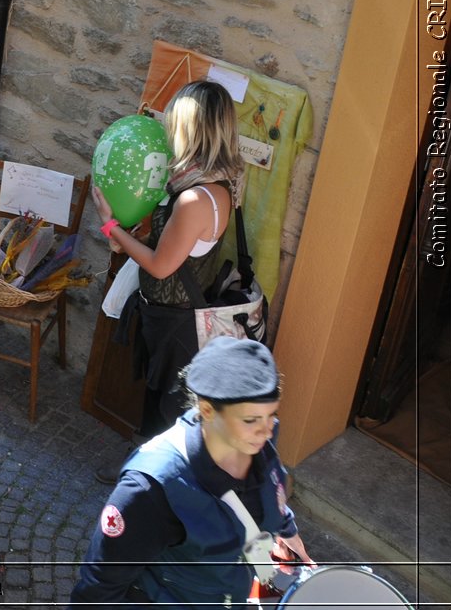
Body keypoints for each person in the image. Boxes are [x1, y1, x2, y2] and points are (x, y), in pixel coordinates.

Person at [70, 338, 311, 606]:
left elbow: (270, 488)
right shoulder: (150, 488)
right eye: (251, 419)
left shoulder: (256, 440)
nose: (267, 430)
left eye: (271, 415)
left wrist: (286, 530)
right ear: (207, 410)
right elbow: (99, 586)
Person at [96, 79, 241, 437]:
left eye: (172, 122)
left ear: (190, 129)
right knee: (156, 406)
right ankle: (141, 472)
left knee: (166, 419)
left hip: (177, 327)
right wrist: (131, 236)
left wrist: (109, 225)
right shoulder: (211, 183)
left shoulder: (195, 198)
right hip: (170, 318)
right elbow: (175, 243)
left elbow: (162, 264)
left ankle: (148, 485)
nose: (166, 131)